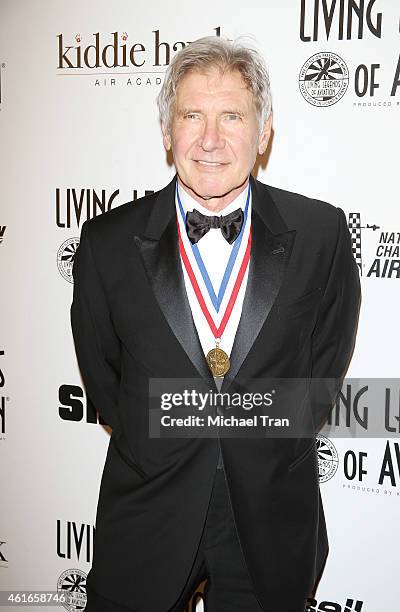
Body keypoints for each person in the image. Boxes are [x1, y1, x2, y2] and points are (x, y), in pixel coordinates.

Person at [71, 36, 361, 612]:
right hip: (149, 508)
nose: (210, 139)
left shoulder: (321, 234)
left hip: (270, 517)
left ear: (264, 131)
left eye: (231, 116)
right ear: (166, 132)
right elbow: (105, 380)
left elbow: (325, 363)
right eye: (191, 116)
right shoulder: (104, 243)